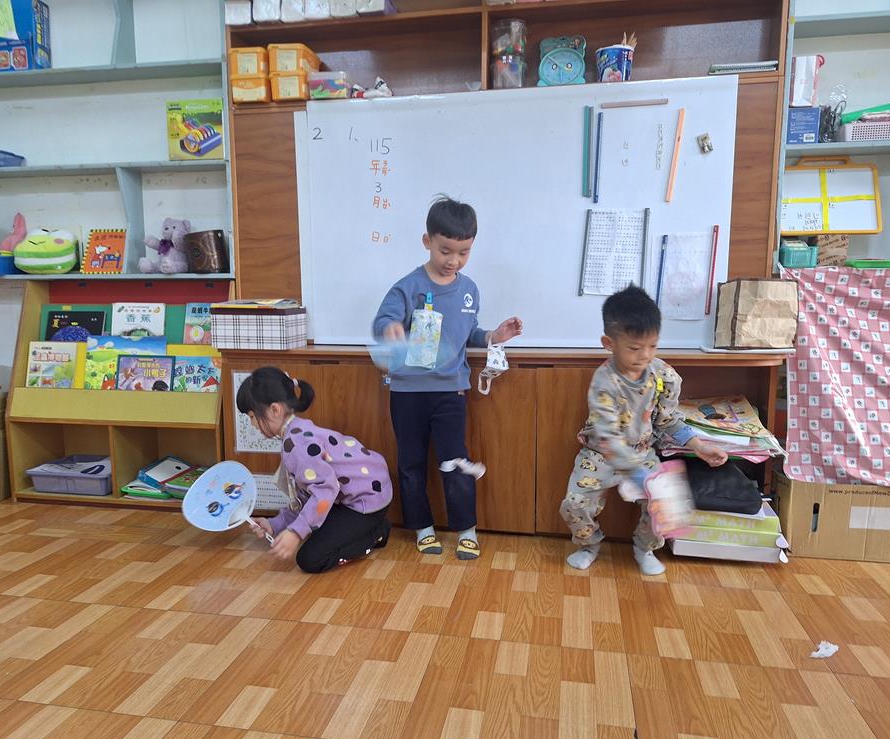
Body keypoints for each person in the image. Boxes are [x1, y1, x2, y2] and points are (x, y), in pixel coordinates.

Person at [372, 195, 522, 560]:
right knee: (411, 463)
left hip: (451, 392)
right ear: (427, 241)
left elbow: (467, 334)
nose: (453, 260)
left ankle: (466, 529)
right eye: (445, 251)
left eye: (463, 252)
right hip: (407, 393)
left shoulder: (469, 290)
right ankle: (422, 528)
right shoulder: (407, 286)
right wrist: (390, 327)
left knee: (455, 461)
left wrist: (494, 336)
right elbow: (383, 320)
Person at [559, 286, 728, 575]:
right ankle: (589, 546)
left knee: (664, 502)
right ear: (609, 343)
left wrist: (698, 445)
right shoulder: (604, 382)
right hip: (600, 454)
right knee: (574, 504)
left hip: (642, 452)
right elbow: (607, 435)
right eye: (634, 348)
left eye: (652, 346)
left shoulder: (664, 376)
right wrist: (638, 474)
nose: (645, 355)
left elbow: (668, 420)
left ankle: (644, 548)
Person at [236, 366, 393, 573]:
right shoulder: (296, 430)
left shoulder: (298, 445)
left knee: (310, 559)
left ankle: (378, 533)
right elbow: (305, 494)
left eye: (252, 416)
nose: (252, 424)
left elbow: (324, 491)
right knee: (314, 525)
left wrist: (295, 533)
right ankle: (369, 527)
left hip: (367, 501)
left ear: (275, 410)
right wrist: (275, 524)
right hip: (356, 492)